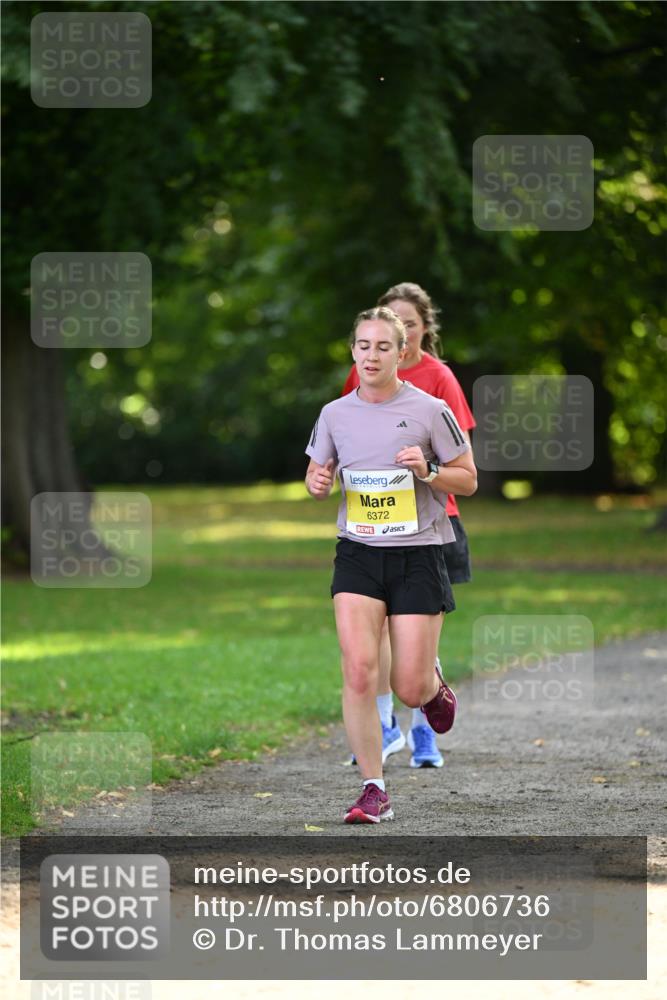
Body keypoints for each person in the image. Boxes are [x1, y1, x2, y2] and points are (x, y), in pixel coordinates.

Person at [305, 306, 477, 823]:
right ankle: (373, 786)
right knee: (358, 669)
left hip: (418, 555)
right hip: (357, 554)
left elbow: (466, 479)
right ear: (352, 350)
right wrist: (316, 484)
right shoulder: (335, 413)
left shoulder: (428, 409)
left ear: (402, 352)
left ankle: (431, 688)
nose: (371, 355)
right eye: (363, 345)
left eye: (383, 346)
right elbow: (318, 472)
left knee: (407, 685)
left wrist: (427, 469)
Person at [342, 282, 475, 768]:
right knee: (371, 639)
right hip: (371, 532)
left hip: (433, 526)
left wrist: (427, 471)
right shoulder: (362, 378)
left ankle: (424, 730)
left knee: (416, 641)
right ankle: (383, 726)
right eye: (368, 342)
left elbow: (460, 460)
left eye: (408, 327)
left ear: (416, 332)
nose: (380, 349)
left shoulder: (437, 382)